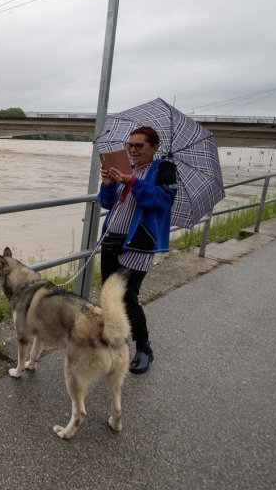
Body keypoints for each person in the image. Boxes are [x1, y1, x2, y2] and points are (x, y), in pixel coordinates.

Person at [98, 126, 177, 374]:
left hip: (137, 245)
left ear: (154, 147)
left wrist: (131, 182)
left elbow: (163, 200)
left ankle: (144, 347)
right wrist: (109, 183)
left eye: (139, 146)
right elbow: (107, 203)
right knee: (108, 296)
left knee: (127, 297)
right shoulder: (126, 168)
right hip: (111, 240)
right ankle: (115, 343)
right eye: (129, 145)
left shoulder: (163, 169)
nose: (132, 150)